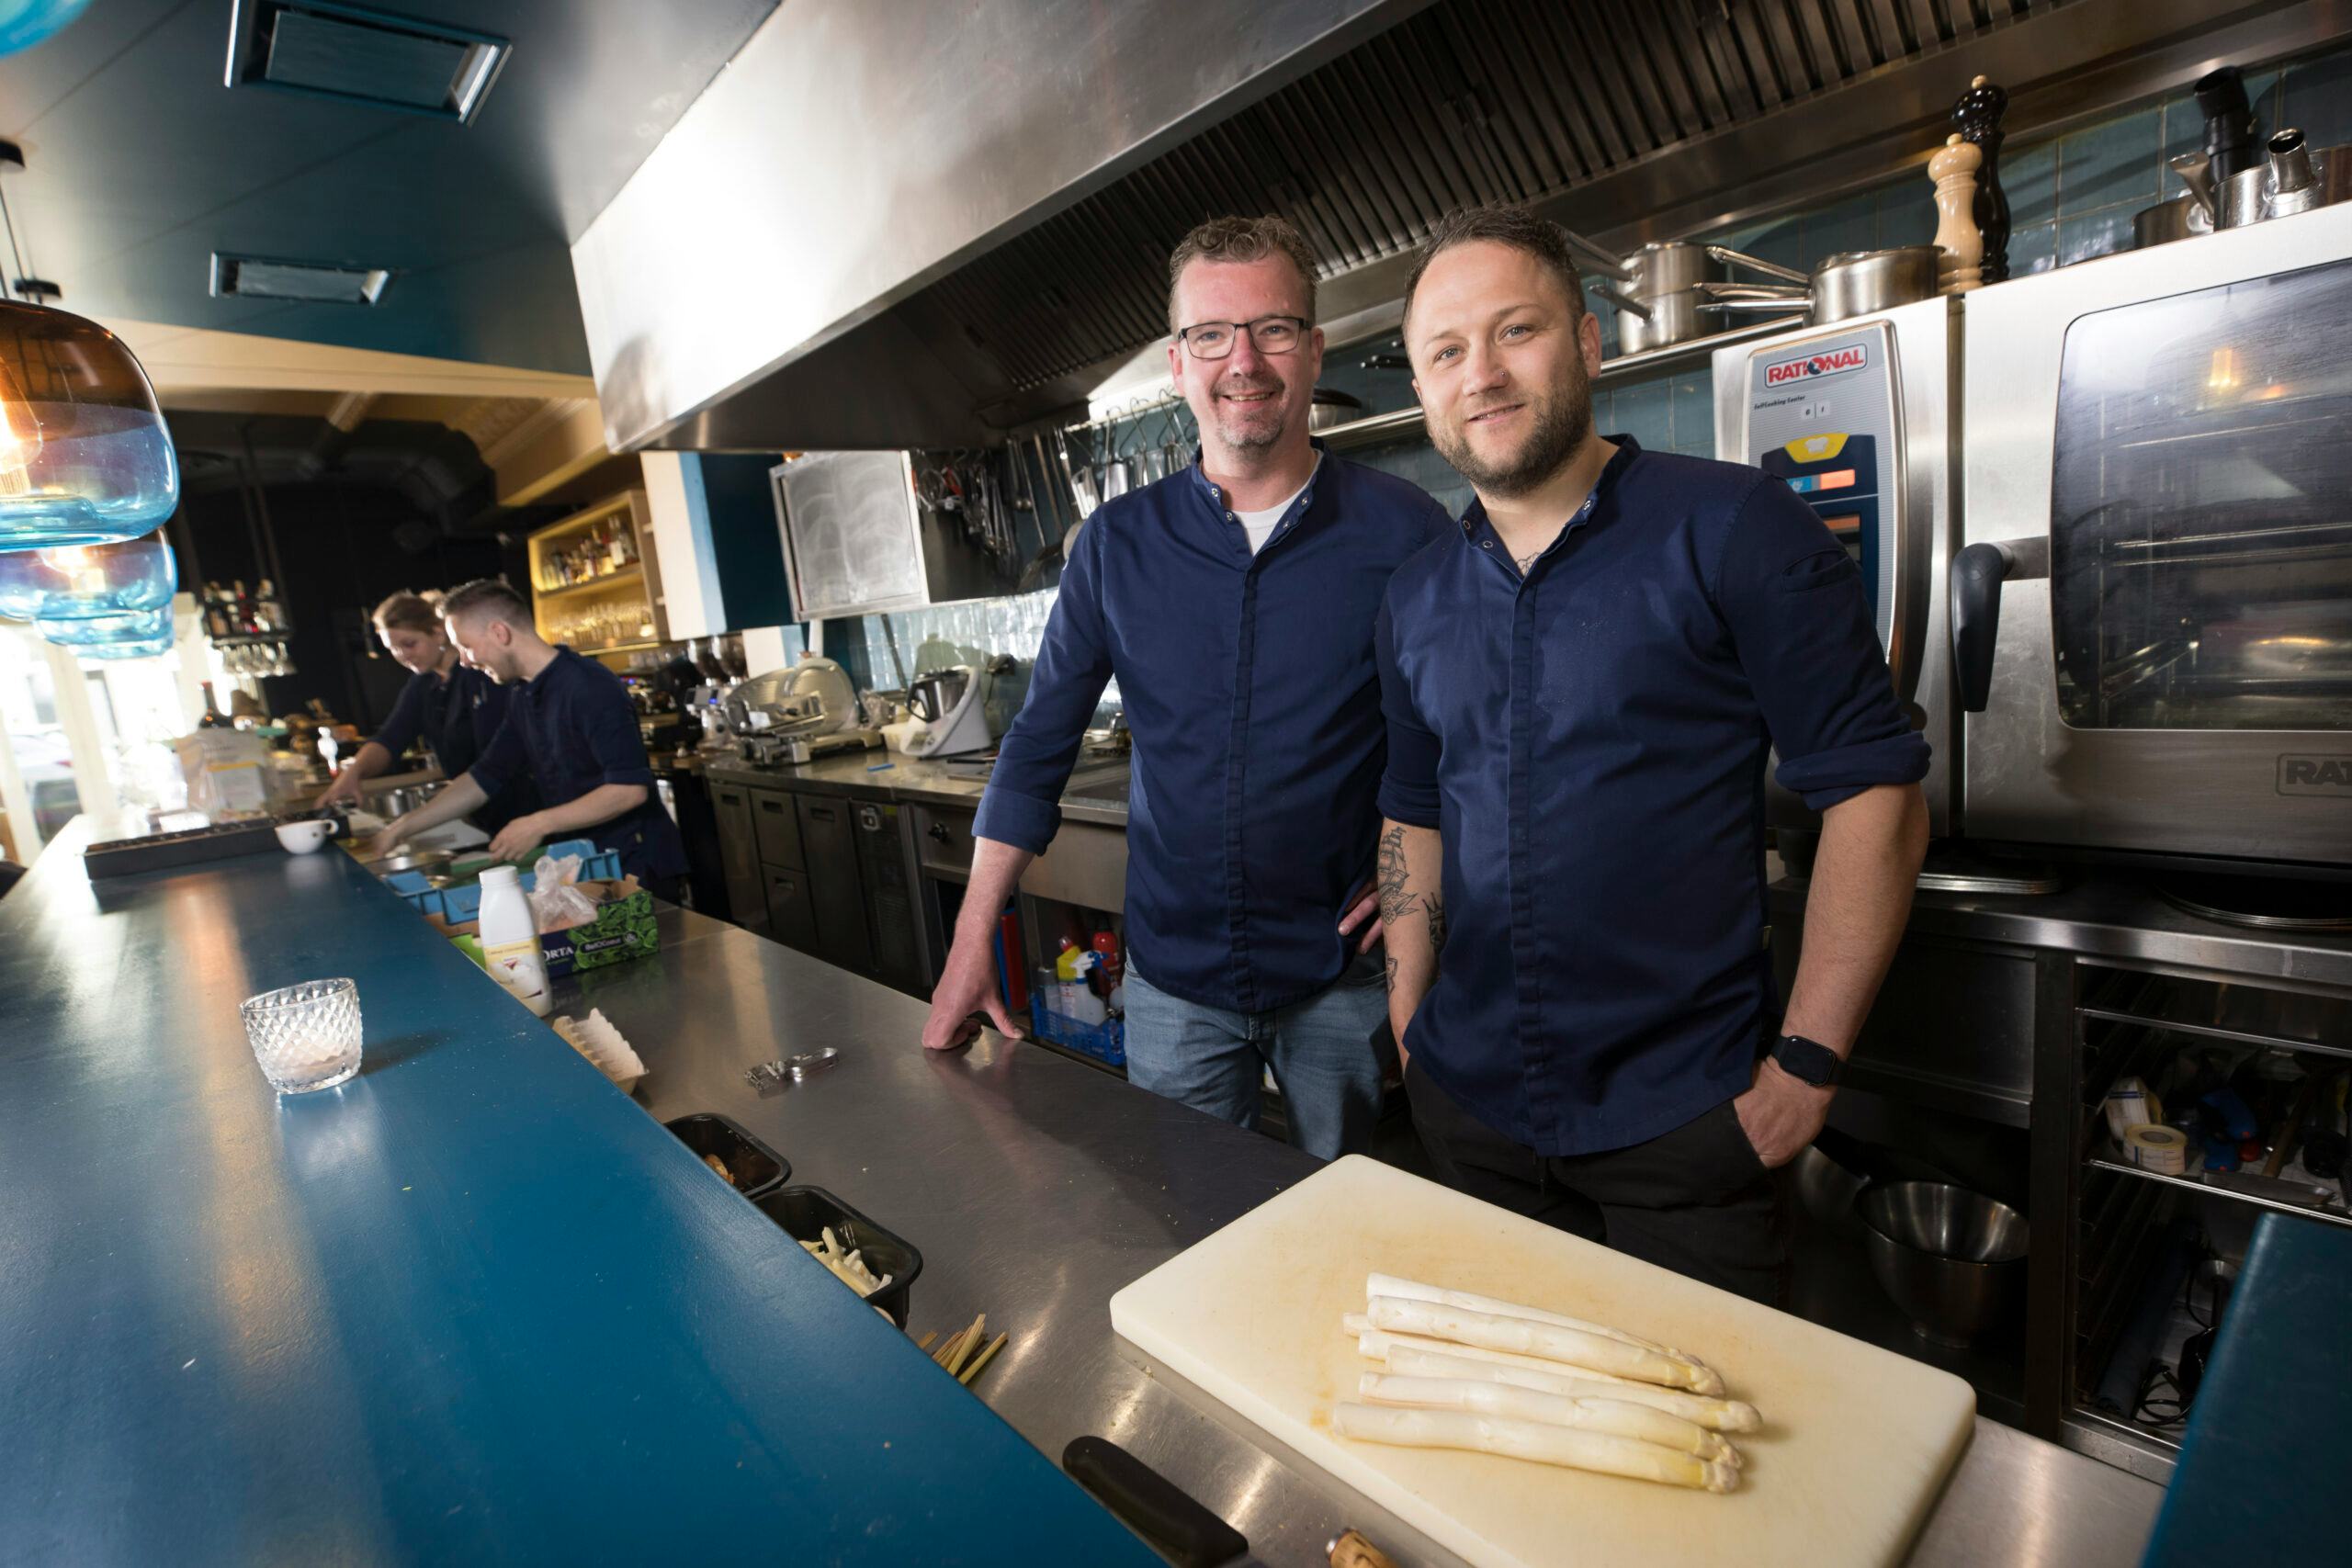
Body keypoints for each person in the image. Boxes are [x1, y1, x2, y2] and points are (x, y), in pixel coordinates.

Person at [1375, 206, 1930, 1303]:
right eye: (1444, 351)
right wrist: (1409, 1028)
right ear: (1420, 386)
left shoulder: (1733, 526)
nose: (1478, 373)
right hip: (1470, 1116)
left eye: (1513, 331)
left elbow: (1875, 792)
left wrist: (1809, 1066)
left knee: (1703, 1449)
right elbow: (1414, 814)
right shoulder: (1413, 596)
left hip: (1683, 1133)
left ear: (1587, 344)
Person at [919, 214, 1452, 1160]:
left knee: (1361, 1227)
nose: (1242, 360)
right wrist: (968, 948)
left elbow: (1469, 734)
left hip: (1346, 976)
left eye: (1273, 328)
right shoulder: (1116, 546)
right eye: (1212, 335)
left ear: (1313, 346)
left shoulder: (1404, 530)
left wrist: (1418, 879)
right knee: (1190, 1227)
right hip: (1173, 982)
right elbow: (1038, 747)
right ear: (1178, 362)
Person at [368, 579, 689, 901]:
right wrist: (402, 828)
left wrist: (537, 823)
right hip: (589, 863)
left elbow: (628, 790)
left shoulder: (588, 686)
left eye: (466, 646)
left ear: (499, 633)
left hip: (636, 864)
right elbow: (486, 775)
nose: (464, 661)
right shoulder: (524, 693)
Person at [319, 591, 540, 835]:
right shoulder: (422, 685)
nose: (403, 655)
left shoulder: (483, 673)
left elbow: (499, 761)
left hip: (523, 807)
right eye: (393, 649)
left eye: (409, 644)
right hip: (477, 809)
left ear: (438, 632)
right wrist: (353, 774)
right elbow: (391, 738)